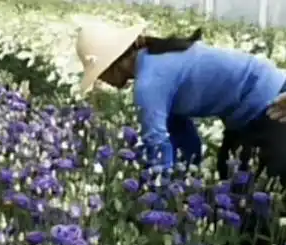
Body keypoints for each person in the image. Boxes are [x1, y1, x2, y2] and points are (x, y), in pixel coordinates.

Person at [75, 21, 286, 183]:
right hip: (251, 112)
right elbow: (182, 136)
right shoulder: (156, 57)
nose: (102, 81)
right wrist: (184, 176)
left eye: (100, 74)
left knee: (253, 191)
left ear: (113, 65)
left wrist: (160, 191)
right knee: (230, 177)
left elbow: (157, 143)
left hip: (273, 106)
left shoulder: (150, 82)